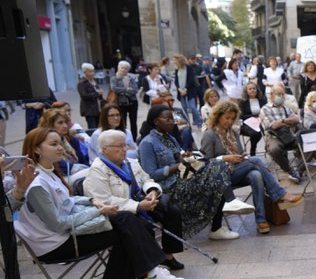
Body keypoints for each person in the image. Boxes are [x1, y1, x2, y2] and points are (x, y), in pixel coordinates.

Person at [15, 128, 185, 279]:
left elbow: (67, 201)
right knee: (125, 227)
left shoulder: (48, 173)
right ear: (37, 149)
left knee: (127, 223)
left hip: (66, 234)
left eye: (60, 142)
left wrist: (90, 201)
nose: (60, 148)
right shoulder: (37, 183)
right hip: (56, 244)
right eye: (53, 144)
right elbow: (58, 223)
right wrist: (99, 210)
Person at [84, 129, 186, 270]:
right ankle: (150, 268)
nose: (125, 149)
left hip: (139, 203)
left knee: (172, 211)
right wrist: (138, 206)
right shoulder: (97, 170)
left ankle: (167, 255)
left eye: (125, 145)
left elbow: (146, 179)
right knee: (143, 226)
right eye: (119, 146)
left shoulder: (130, 162)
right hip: (119, 213)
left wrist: (152, 191)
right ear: (104, 149)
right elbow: (104, 201)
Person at [137, 105, 242, 240]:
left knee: (216, 173)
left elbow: (177, 158)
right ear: (156, 121)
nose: (172, 122)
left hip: (183, 178)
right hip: (167, 187)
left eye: (172, 119)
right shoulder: (147, 143)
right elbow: (151, 174)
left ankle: (219, 222)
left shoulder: (170, 138)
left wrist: (185, 157)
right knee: (216, 169)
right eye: (167, 119)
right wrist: (179, 165)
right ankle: (224, 213)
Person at [201, 101, 304, 235]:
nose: (230, 121)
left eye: (232, 118)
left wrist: (241, 157)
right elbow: (205, 162)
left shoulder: (233, 133)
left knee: (256, 175)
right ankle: (280, 194)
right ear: (217, 116)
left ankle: (261, 220)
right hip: (221, 176)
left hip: (237, 170)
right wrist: (226, 158)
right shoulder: (209, 134)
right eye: (227, 118)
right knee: (255, 160)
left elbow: (240, 153)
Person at [260, 83, 305, 184]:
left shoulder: (286, 108)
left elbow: (297, 120)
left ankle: (299, 171)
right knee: (274, 149)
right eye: (278, 94)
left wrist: (283, 121)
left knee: (309, 144)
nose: (281, 97)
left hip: (289, 135)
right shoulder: (265, 109)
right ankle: (290, 170)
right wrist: (288, 121)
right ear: (271, 95)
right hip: (274, 136)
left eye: (282, 95)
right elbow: (273, 126)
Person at [38, 108, 90, 182]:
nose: (65, 125)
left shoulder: (71, 139)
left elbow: (82, 160)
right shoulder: (45, 143)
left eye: (65, 122)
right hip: (58, 178)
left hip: (79, 173)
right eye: (60, 123)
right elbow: (62, 167)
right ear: (50, 125)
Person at [110, 60, 140, 140]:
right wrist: (126, 89)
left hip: (133, 102)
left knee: (133, 121)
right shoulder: (114, 78)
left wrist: (123, 91)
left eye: (126, 68)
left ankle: (134, 138)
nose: (123, 70)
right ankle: (123, 138)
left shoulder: (131, 78)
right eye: (122, 68)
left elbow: (135, 89)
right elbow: (114, 88)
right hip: (121, 103)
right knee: (122, 122)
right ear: (118, 68)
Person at [173, 54, 202, 129]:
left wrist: (186, 89)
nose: (174, 61)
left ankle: (199, 123)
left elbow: (191, 80)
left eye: (175, 60)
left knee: (193, 107)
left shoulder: (188, 68)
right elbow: (176, 80)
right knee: (184, 108)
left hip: (189, 90)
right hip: (180, 91)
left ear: (179, 60)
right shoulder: (177, 69)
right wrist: (179, 89)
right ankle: (188, 124)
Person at [239, 81, 266, 155]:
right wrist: (254, 116)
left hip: (261, 121)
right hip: (248, 123)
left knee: (269, 130)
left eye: (254, 88)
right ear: (246, 91)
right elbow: (241, 116)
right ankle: (253, 149)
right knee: (256, 133)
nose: (252, 90)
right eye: (250, 89)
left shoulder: (262, 100)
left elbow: (266, 111)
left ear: (257, 90)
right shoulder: (243, 102)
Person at [77, 63, 103, 129]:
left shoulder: (94, 81)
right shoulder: (82, 83)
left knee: (99, 127)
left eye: (93, 71)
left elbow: (98, 92)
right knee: (92, 127)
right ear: (85, 72)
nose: (92, 73)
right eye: (90, 71)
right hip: (89, 110)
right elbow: (84, 96)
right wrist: (97, 93)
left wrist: (100, 94)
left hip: (97, 108)